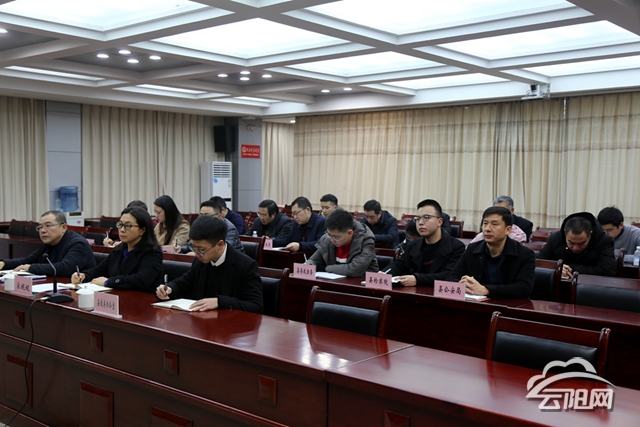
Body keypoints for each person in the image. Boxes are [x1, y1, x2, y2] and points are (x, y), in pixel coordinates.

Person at [155, 216, 263, 313]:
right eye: (193, 248)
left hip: (231, 325)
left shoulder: (246, 265)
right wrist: (169, 289)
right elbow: (184, 283)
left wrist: (220, 302)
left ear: (220, 244)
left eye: (201, 250)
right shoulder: (201, 261)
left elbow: (255, 306)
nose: (196, 254)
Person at [447, 206, 535, 299]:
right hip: (476, 304)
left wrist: (486, 290)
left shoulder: (525, 254)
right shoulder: (473, 248)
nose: (487, 229)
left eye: (494, 224)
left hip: (509, 305)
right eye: (485, 223)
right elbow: (452, 276)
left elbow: (524, 288)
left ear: (508, 230)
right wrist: (463, 285)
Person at [72, 207, 163, 293]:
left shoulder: (152, 252)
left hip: (142, 300)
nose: (122, 230)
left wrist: (108, 282)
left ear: (142, 230)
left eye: (128, 226)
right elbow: (99, 270)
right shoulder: (119, 249)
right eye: (120, 225)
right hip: (117, 297)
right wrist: (83, 275)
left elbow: (140, 280)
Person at [388, 200, 466, 287]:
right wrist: (384, 274)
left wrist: (418, 279)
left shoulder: (456, 247)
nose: (420, 222)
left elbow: (449, 275)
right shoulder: (413, 245)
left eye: (426, 217)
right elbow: (399, 265)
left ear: (439, 222)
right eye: (418, 219)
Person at [0, 210, 95, 275]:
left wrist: (30, 268)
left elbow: (65, 268)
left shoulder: (78, 244)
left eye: (48, 226)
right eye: (40, 227)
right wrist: (4, 263)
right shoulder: (48, 243)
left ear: (64, 227)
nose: (43, 230)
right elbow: (28, 260)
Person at [536, 212, 616, 278]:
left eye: (582, 243)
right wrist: (555, 267)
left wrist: (569, 269)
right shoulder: (556, 238)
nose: (576, 248)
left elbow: (608, 270)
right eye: (571, 242)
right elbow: (539, 262)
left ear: (590, 235)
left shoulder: (604, 241)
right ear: (565, 233)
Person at [307, 209, 378, 277]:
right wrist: (308, 265)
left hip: (360, 282)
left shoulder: (366, 241)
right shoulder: (330, 237)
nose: (332, 240)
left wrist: (326, 268)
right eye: (329, 235)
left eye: (336, 237)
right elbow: (314, 260)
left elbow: (354, 270)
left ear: (350, 233)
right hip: (333, 281)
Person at [176, 200, 244, 254]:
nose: (203, 219)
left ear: (219, 216)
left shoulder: (229, 228)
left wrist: (196, 253)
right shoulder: (200, 226)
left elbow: (223, 250)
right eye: (201, 215)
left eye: (207, 215)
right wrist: (180, 249)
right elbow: (191, 245)